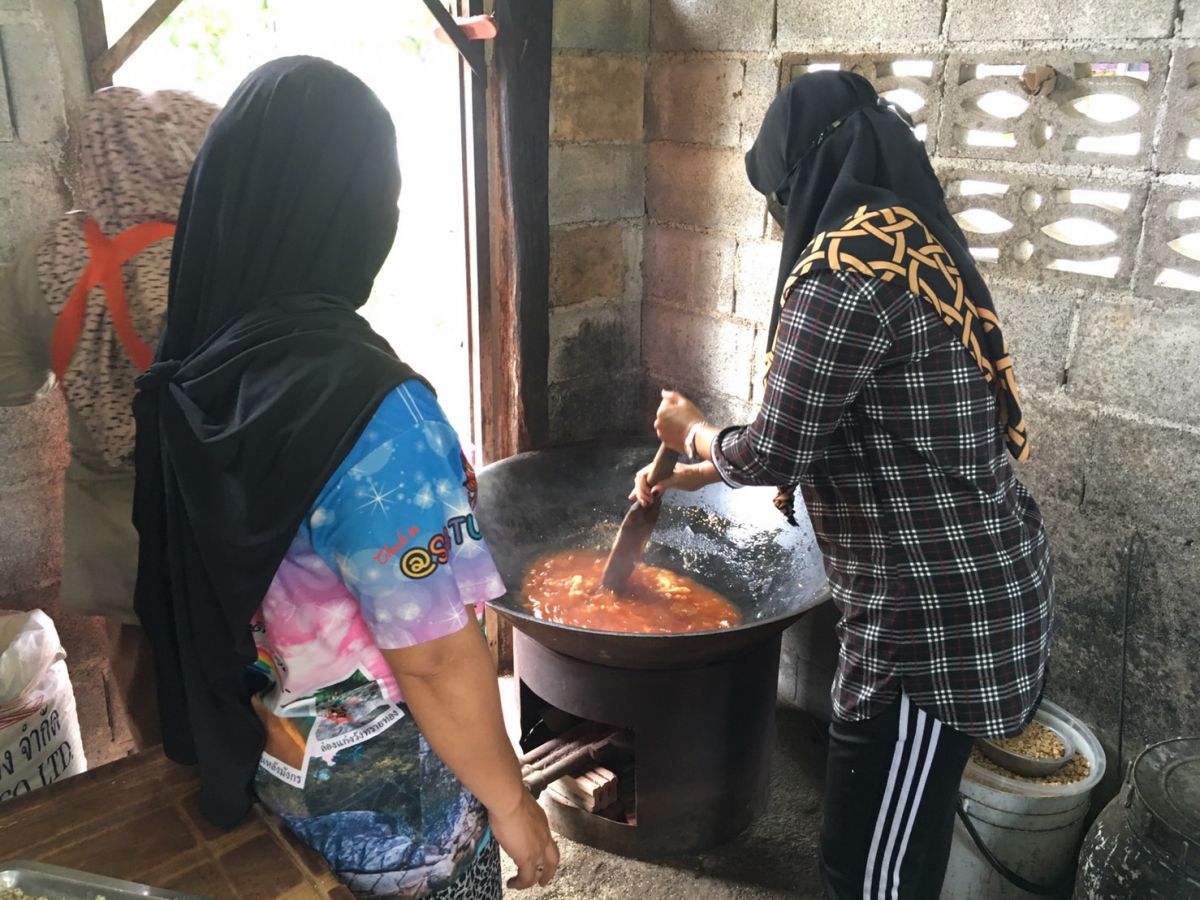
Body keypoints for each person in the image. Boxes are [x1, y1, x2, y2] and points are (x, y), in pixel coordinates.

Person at [131, 57, 557, 898]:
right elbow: (435, 658)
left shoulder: (202, 368)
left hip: (276, 767)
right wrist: (512, 804)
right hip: (404, 812)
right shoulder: (375, 414)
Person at [632, 71, 1054, 900]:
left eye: (779, 196)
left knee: (872, 873)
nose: (782, 216)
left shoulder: (846, 272)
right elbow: (844, 428)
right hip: (961, 587)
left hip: (930, 628)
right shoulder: (909, 242)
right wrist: (694, 474)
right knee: (888, 846)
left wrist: (692, 430)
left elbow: (773, 450)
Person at [0, 86, 219, 749]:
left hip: (117, 537)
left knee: (153, 710)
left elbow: (13, 383)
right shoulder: (220, 245)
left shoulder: (46, 257)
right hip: (225, 517)